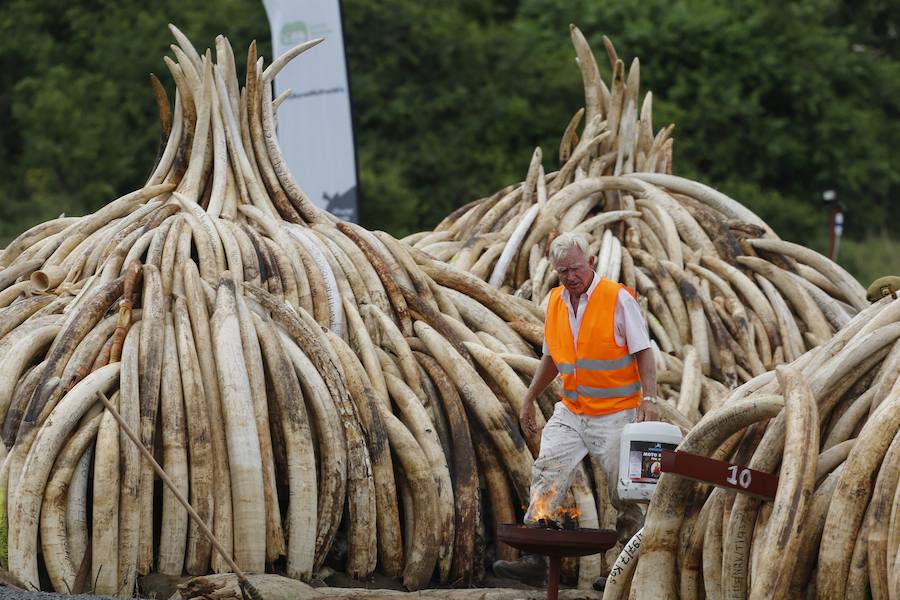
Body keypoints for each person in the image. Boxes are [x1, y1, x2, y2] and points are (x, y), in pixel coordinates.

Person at [492, 232, 659, 588]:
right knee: (547, 470)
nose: (570, 276)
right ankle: (536, 557)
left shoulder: (617, 299)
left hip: (615, 413)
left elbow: (644, 351)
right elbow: (552, 357)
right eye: (562, 271)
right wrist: (528, 398)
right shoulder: (555, 302)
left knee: (624, 492)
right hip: (571, 410)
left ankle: (624, 573)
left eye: (576, 268)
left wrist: (650, 400)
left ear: (592, 263)